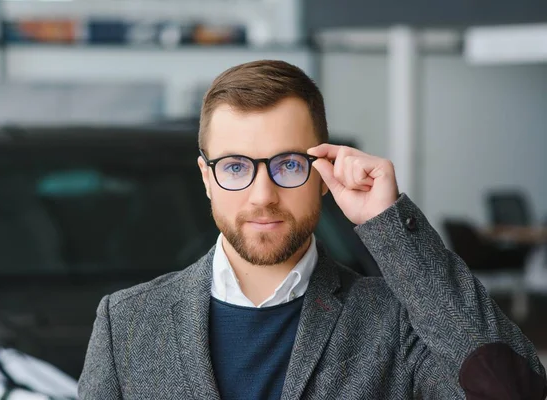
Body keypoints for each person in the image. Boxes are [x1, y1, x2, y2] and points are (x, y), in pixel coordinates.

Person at [78, 60, 546, 399]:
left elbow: (513, 390)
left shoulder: (394, 321)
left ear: (323, 172)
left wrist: (390, 225)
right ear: (207, 178)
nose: (262, 195)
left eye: (287, 164)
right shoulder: (128, 324)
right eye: (236, 167)